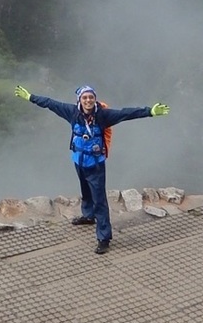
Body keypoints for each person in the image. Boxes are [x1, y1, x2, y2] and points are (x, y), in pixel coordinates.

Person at [14, 82, 169, 254]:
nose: (88, 100)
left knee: (99, 200)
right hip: (79, 160)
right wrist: (30, 97)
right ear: (79, 99)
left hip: (95, 164)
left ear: (95, 99)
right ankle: (88, 216)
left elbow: (126, 113)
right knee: (85, 190)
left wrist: (150, 112)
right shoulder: (72, 112)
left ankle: (104, 237)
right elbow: (50, 103)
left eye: (91, 97)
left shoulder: (103, 115)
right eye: (85, 97)